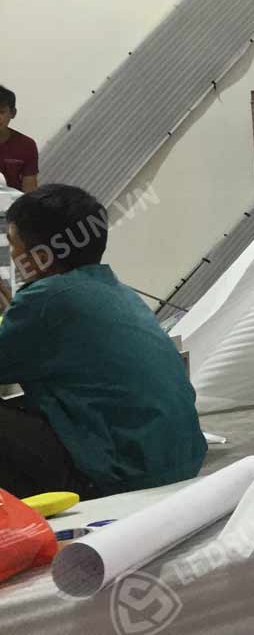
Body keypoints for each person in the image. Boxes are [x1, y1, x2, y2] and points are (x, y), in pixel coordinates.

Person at [0, 185, 206, 498]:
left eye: (13, 244)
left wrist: (14, 311)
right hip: (178, 461)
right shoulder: (115, 291)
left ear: (40, 256)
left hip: (122, 473)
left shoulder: (45, 299)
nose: (13, 256)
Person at [0, 86, 38, 192]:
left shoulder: (26, 145)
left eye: (1, 112)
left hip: (13, 202)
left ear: (13, 113)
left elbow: (30, 192)